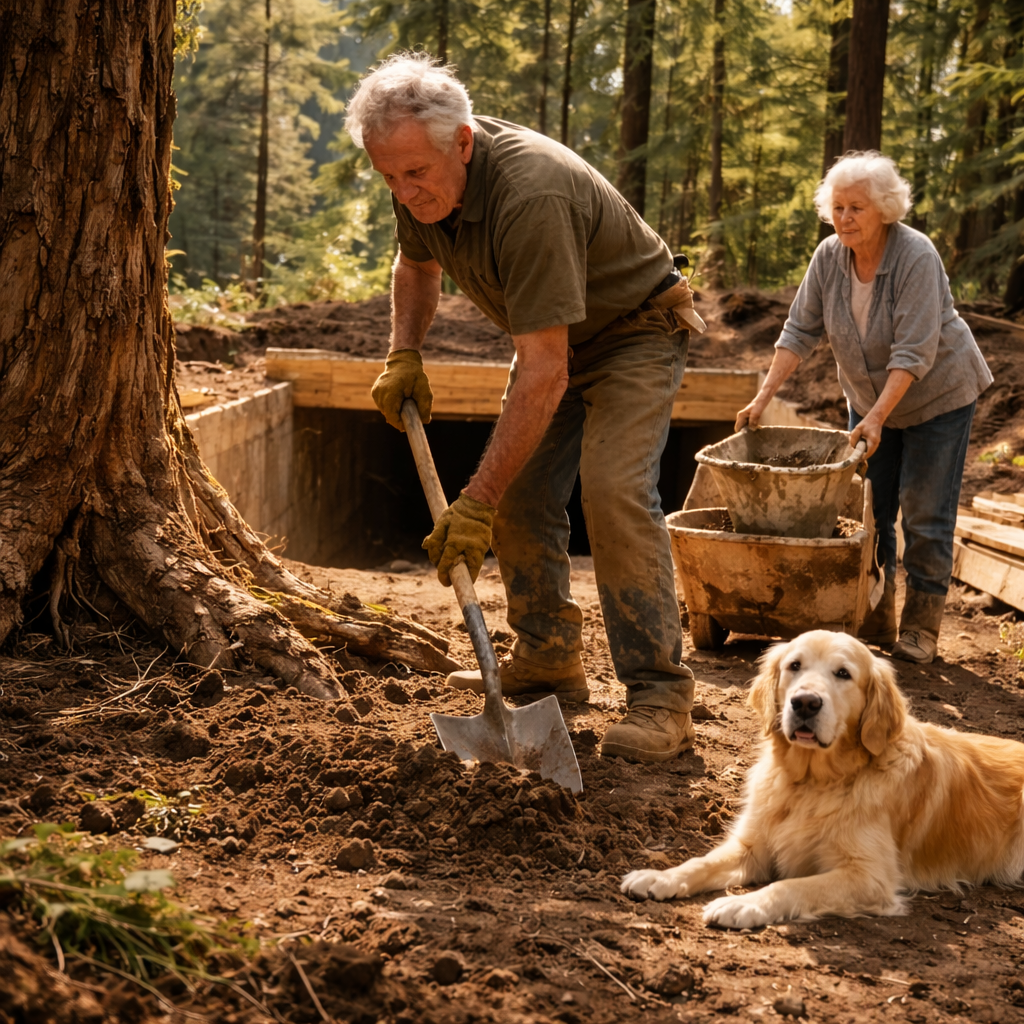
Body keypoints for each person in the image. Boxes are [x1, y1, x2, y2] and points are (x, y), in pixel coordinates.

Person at [346, 53, 705, 761]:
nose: (405, 191)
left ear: (465, 143)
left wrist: (473, 501)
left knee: (613, 491)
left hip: (634, 330)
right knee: (520, 493)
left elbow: (545, 373)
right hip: (556, 337)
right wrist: (403, 354)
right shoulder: (413, 168)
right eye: (389, 176)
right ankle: (547, 660)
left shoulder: (530, 197)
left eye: (415, 173)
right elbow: (415, 263)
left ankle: (661, 695)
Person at [736, 152, 992, 665]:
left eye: (856, 207)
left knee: (926, 512)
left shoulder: (915, 256)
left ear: (885, 209)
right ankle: (877, 615)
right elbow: (798, 330)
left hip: (936, 397)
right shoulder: (829, 257)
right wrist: (763, 396)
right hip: (869, 401)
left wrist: (877, 417)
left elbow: (914, 351)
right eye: (837, 207)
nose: (845, 217)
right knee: (871, 514)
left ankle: (921, 627)